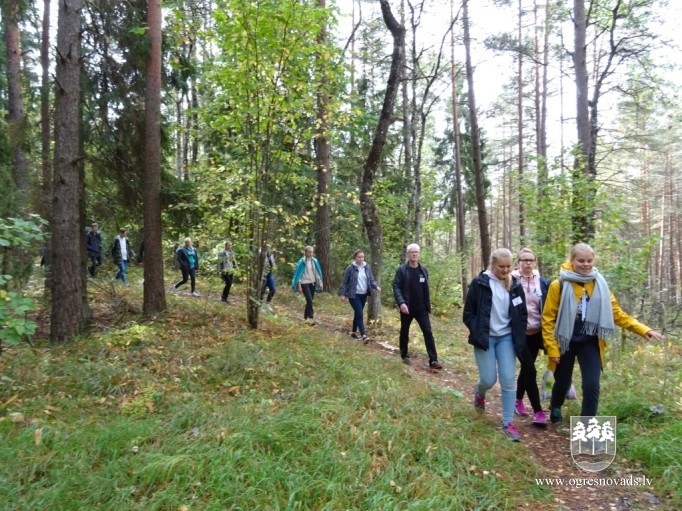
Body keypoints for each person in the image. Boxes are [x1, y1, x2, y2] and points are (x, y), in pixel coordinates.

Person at [542, 243, 664, 424]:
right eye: (581, 261)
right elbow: (548, 319)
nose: (585, 265)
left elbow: (617, 314)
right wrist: (552, 349)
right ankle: (556, 405)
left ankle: (586, 425)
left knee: (592, 385)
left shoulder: (600, 284)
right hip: (564, 341)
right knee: (562, 382)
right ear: (572, 260)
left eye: (589, 261)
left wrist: (643, 329)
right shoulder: (558, 285)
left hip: (590, 342)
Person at [463, 248, 528, 442]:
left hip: (507, 338)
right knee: (489, 379)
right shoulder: (480, 283)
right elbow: (468, 313)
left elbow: (522, 313)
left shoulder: (515, 285)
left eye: (509, 266)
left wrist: (519, 332)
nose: (506, 270)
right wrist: (477, 330)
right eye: (502, 266)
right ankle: (480, 391)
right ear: (493, 264)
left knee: (509, 379)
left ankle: (508, 423)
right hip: (485, 338)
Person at [511, 247, 549, 426]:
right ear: (518, 262)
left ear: (535, 262)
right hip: (518, 334)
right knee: (531, 370)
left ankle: (517, 401)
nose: (527, 263)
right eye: (524, 260)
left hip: (536, 333)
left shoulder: (541, 282)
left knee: (528, 368)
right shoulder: (511, 281)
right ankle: (538, 412)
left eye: (531, 260)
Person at [392, 243, 443, 370]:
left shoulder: (423, 270)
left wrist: (427, 304)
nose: (414, 254)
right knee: (404, 331)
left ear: (419, 254)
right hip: (407, 308)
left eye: (416, 252)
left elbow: (425, 289)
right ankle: (404, 355)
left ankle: (433, 360)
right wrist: (401, 303)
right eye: (412, 252)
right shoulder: (402, 270)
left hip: (421, 309)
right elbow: (396, 286)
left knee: (428, 332)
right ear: (408, 254)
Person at [339, 249, 381, 343]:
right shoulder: (350, 268)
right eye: (359, 257)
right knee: (360, 314)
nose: (361, 259)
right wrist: (343, 294)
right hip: (353, 295)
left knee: (357, 313)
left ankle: (353, 332)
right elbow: (345, 282)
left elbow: (370, 279)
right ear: (355, 257)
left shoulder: (366, 267)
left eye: (362, 257)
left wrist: (376, 287)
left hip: (364, 294)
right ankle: (364, 335)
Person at [291, 246, 323, 325]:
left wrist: (319, 282)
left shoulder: (314, 261)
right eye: (309, 252)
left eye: (312, 252)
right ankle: (311, 318)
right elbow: (299, 274)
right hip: (304, 283)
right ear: (305, 252)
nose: (311, 253)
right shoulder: (301, 261)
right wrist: (299, 285)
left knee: (310, 300)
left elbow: (316, 272)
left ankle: (305, 317)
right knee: (309, 299)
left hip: (312, 283)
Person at [260, 244, 277, 312]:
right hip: (263, 275)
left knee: (273, 289)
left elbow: (273, 264)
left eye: (269, 247)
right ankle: (259, 306)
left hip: (269, 274)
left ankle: (267, 304)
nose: (268, 248)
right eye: (267, 247)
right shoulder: (260, 254)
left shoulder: (271, 255)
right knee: (262, 291)